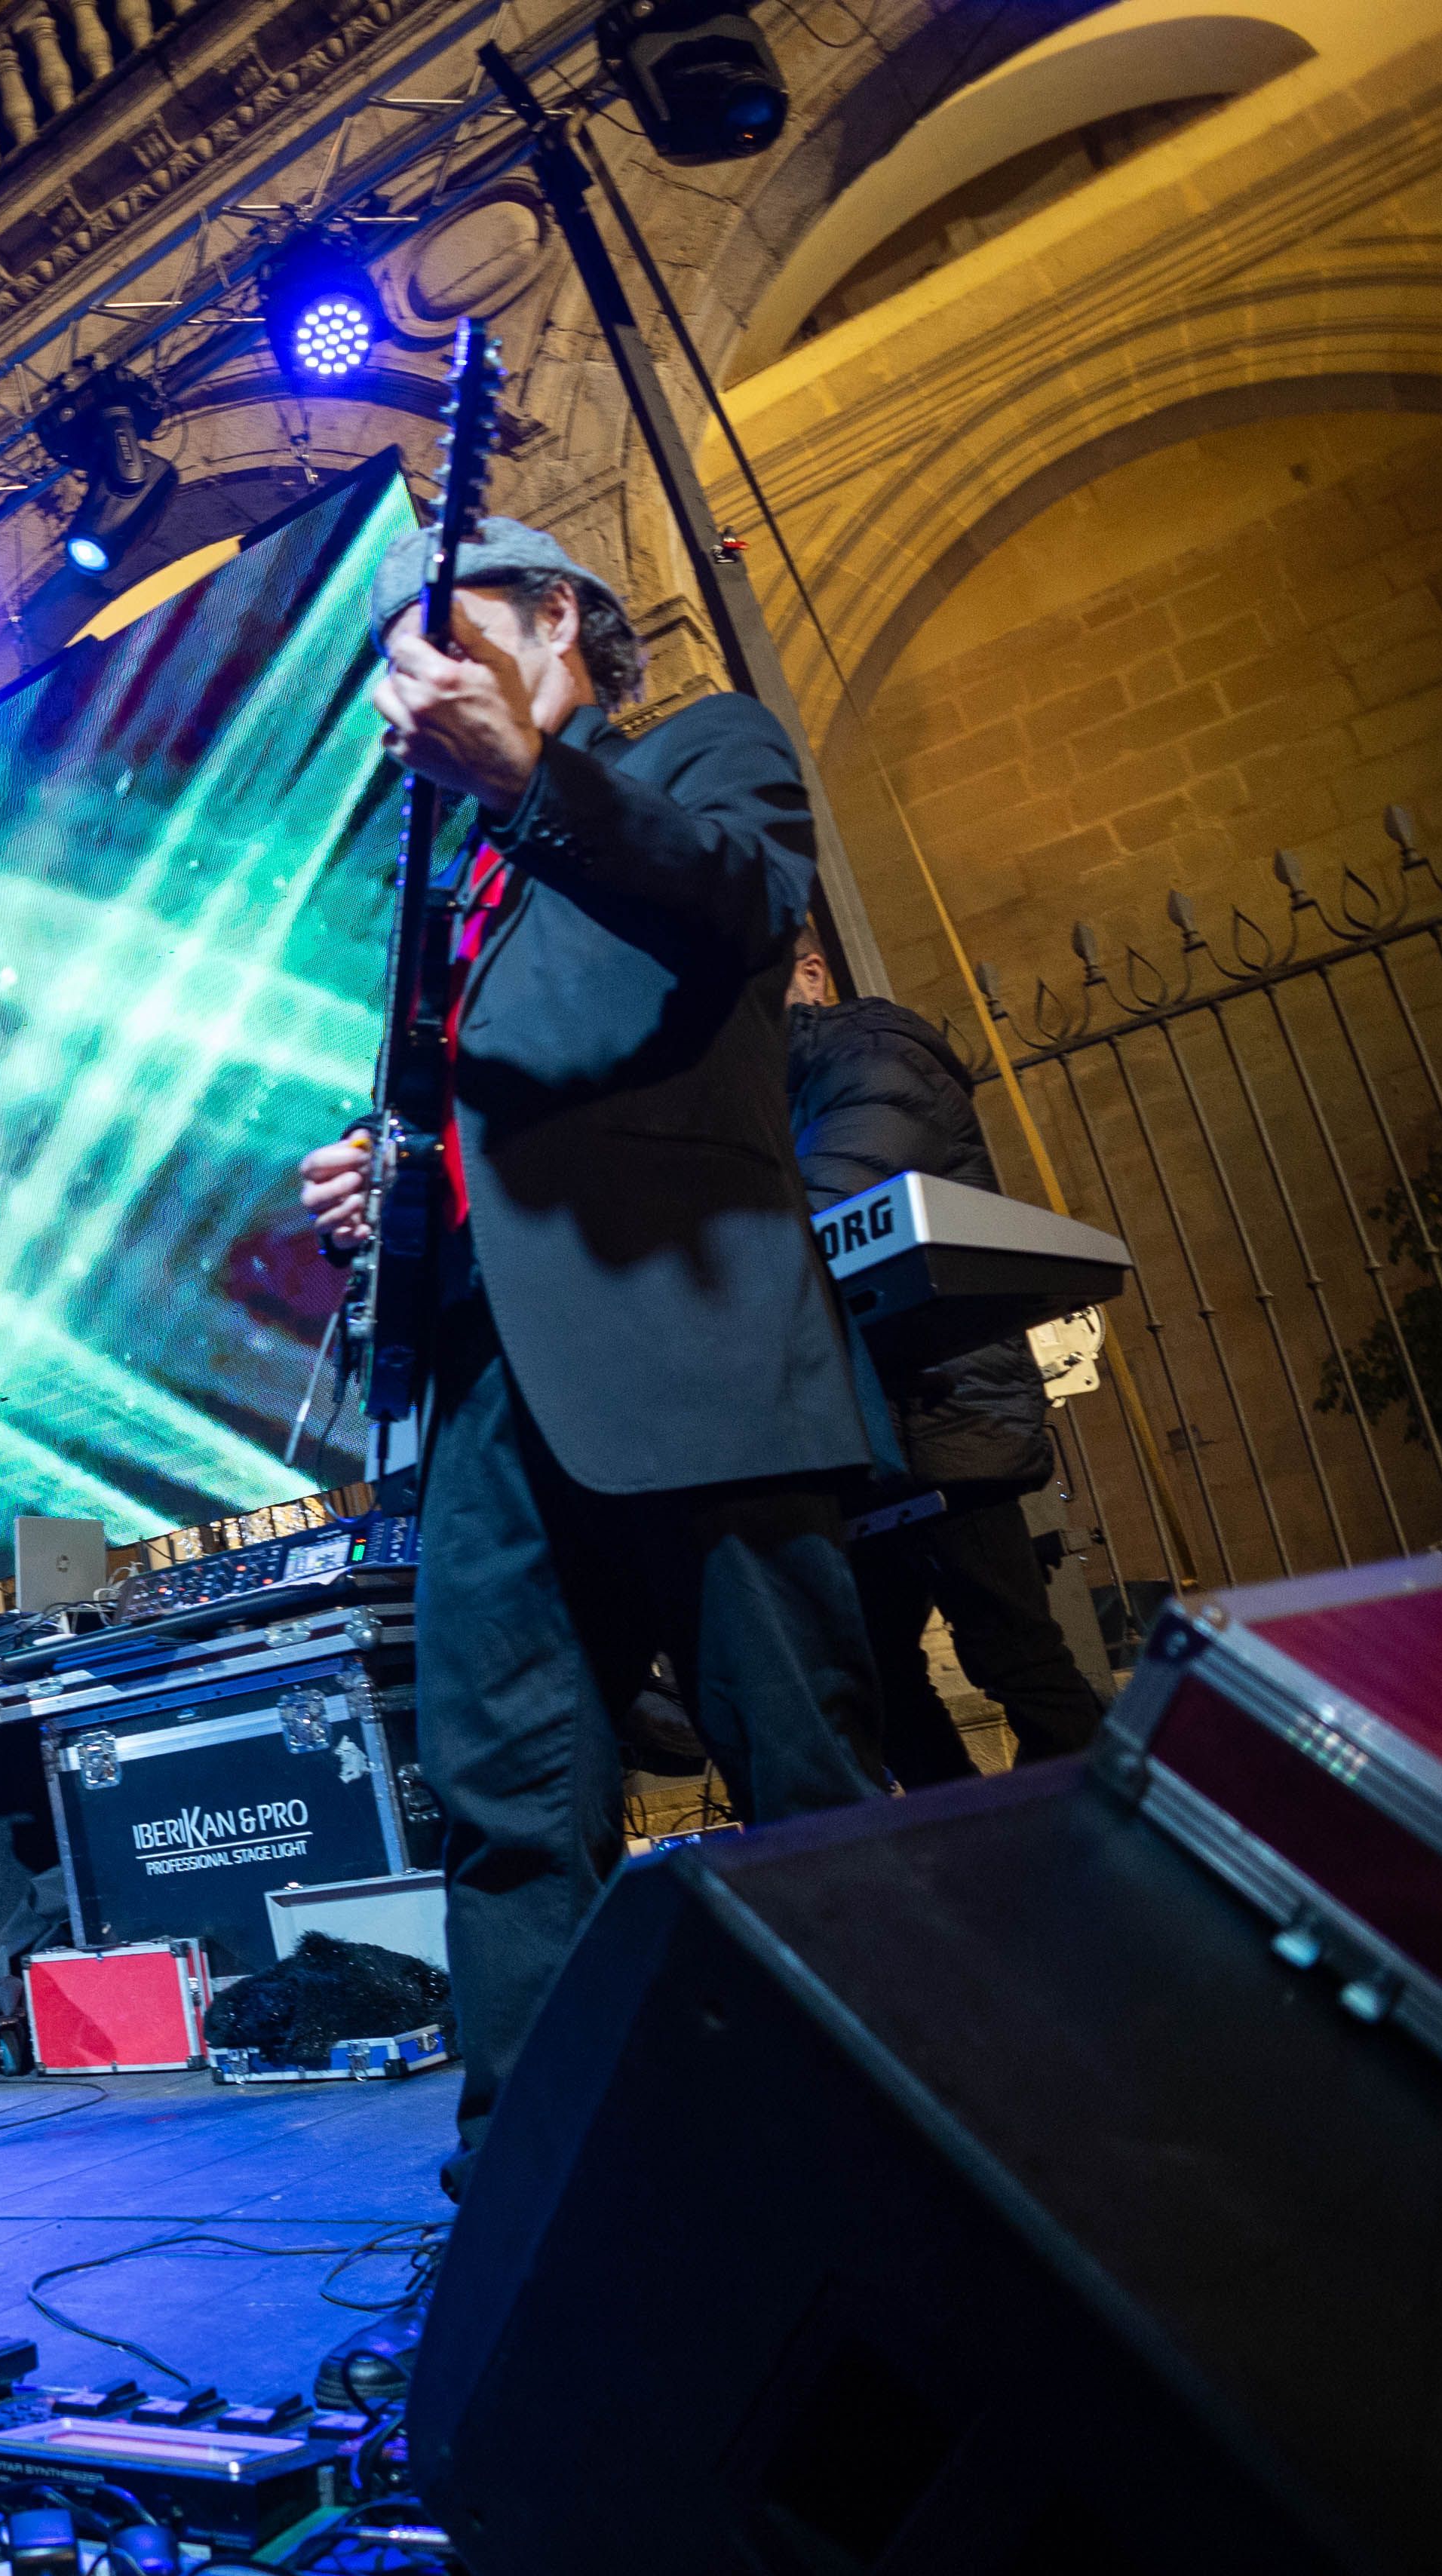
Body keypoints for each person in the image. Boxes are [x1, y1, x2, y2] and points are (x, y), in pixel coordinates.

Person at [296, 517, 883, 2195]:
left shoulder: (702, 751)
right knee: (506, 1810)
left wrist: (535, 776)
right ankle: (529, 2200)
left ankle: (894, 2139)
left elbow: (735, 893)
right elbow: (480, 1106)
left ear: (559, 615)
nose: (411, 682)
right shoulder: (452, 887)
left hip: (686, 1355)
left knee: (806, 1780)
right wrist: (383, 1169)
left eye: (445, 631)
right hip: (492, 1397)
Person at [782, 931, 1105, 1783]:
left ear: (809, 973)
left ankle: (1117, 1828)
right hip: (877, 1428)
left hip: (947, 1414)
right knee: (881, 1680)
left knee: (1014, 1655)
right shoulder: (785, 1088)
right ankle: (980, 1849)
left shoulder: (873, 1056)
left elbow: (823, 1214)